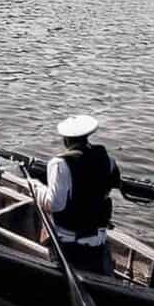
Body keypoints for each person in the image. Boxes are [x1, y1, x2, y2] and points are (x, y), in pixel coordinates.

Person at [33, 115, 120, 275]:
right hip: (97, 241)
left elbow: (54, 204)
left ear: (65, 140)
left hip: (70, 246)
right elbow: (111, 182)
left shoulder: (59, 164)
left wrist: (37, 188)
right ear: (87, 136)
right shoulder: (107, 159)